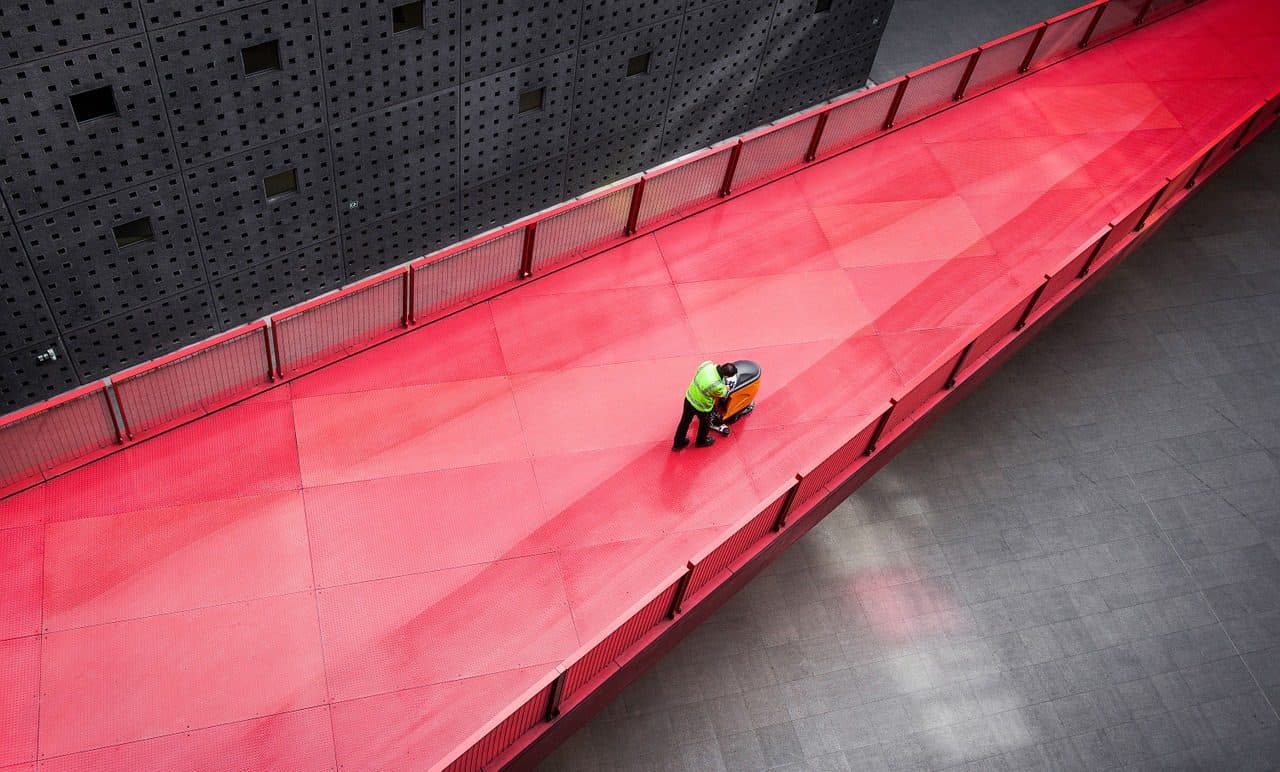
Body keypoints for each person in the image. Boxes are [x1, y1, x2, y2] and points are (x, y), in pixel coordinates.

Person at [674, 361, 737, 450]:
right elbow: (722, 394)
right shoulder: (716, 385)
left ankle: (678, 443)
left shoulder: (707, 364)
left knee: (684, 421)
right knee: (705, 424)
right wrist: (726, 388)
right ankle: (701, 441)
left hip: (689, 398)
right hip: (702, 406)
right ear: (726, 376)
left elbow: (699, 373)